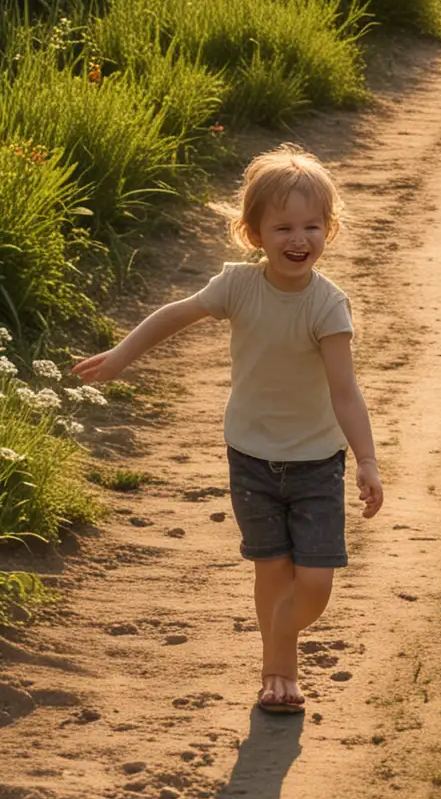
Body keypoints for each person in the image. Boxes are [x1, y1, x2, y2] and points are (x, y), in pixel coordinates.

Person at [71, 146, 382, 716]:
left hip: (317, 461)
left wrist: (366, 459)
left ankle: (279, 646)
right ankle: (278, 671)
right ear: (254, 232)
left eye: (312, 226)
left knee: (314, 582)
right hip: (251, 455)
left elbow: (345, 390)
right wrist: (121, 356)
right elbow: (173, 314)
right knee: (272, 568)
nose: (298, 238)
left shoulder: (328, 306)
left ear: (328, 230)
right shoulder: (238, 286)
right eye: (283, 226)